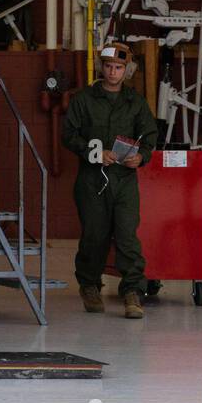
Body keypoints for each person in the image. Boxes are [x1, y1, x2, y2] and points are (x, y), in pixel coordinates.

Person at [62, 40, 159, 319]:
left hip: (124, 179)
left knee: (128, 235)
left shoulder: (135, 102)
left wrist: (141, 156)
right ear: (101, 67)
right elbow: (69, 135)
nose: (113, 72)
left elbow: (149, 136)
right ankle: (89, 285)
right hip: (92, 179)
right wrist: (93, 152)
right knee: (95, 235)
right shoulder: (84, 100)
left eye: (118, 67)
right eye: (108, 66)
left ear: (126, 70)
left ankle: (132, 291)